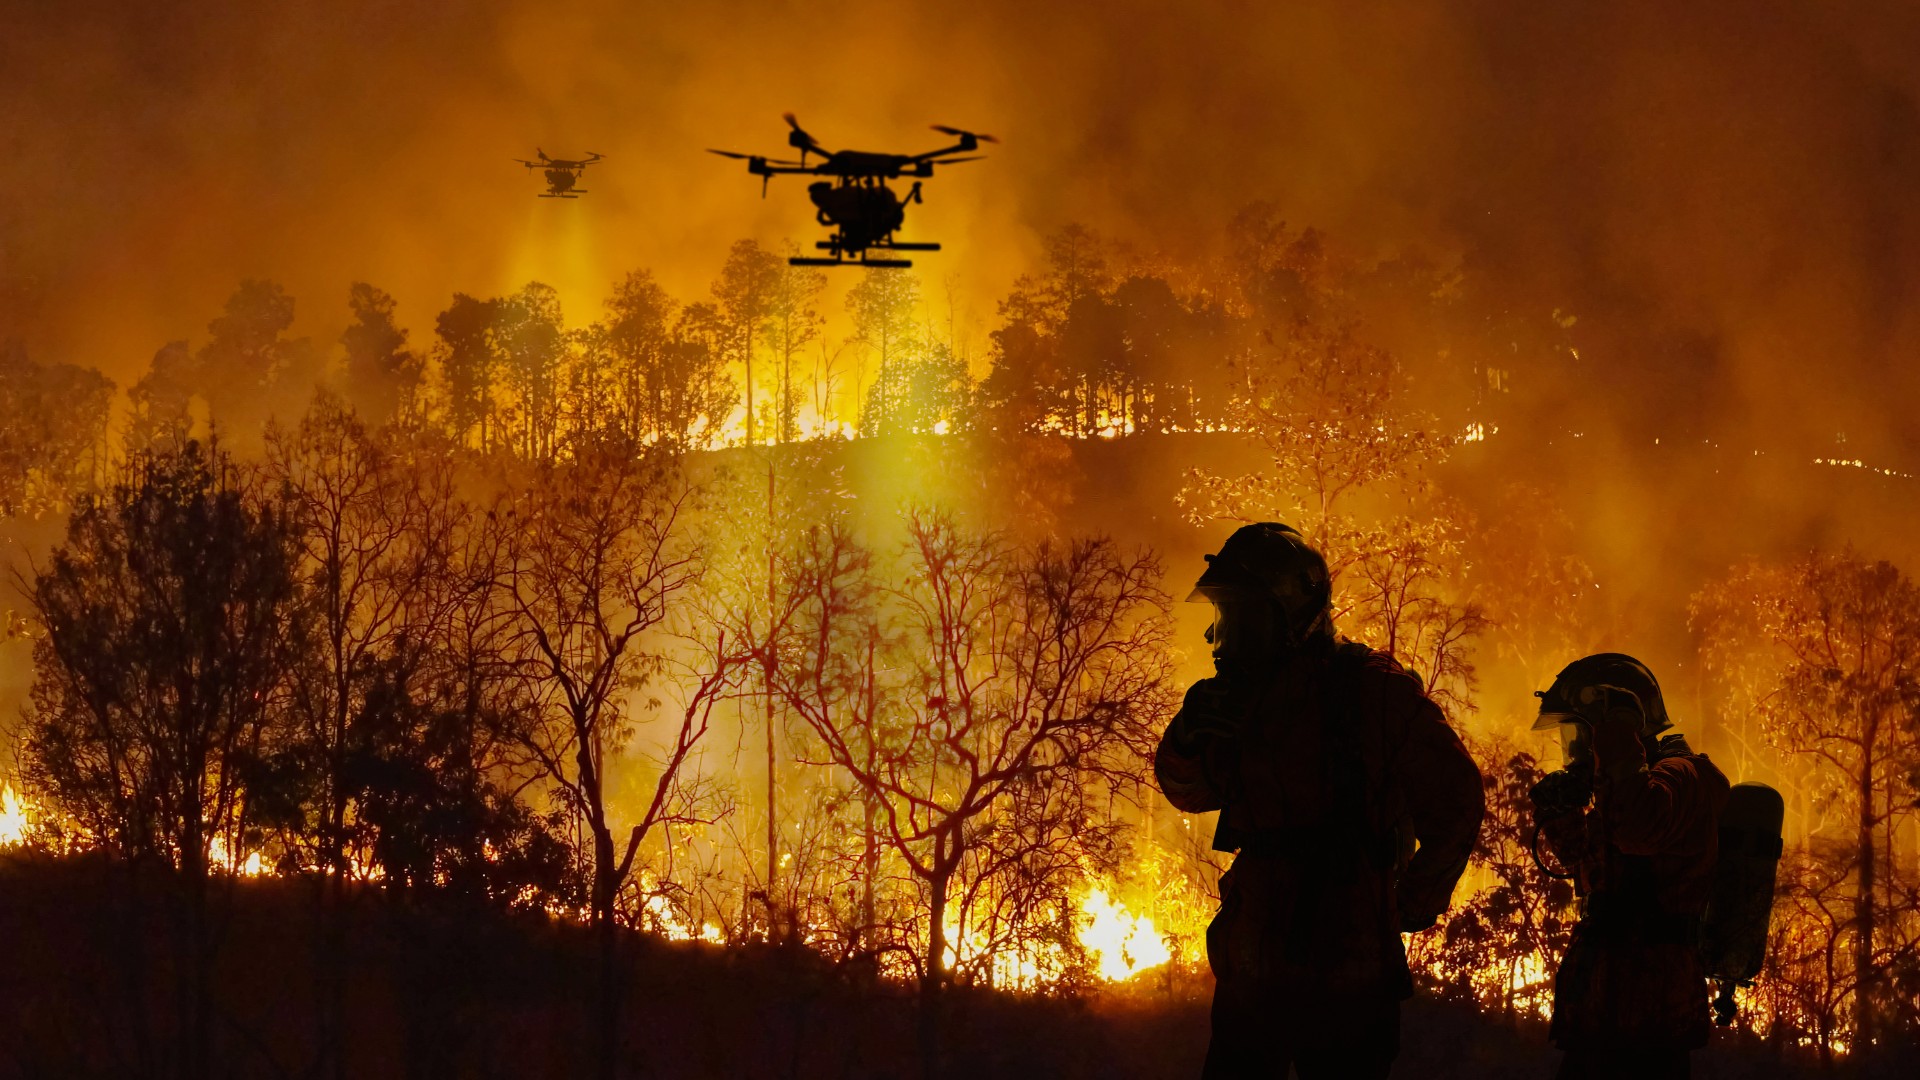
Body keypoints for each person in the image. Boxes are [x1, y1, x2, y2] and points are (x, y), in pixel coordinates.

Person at [1155, 522, 1485, 1079]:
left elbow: (1457, 798)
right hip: (1255, 958)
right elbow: (1189, 792)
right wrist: (1189, 738)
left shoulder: (1374, 690)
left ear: (1286, 613)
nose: (1219, 636)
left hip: (1348, 961)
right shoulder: (1236, 697)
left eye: (1237, 614)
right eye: (1222, 614)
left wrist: (1409, 903)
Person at [1528, 653, 1731, 1079]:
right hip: (1602, 1012)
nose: (1574, 750)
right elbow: (1592, 877)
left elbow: (1637, 833)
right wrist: (1559, 812)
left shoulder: (1682, 777)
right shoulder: (1627, 786)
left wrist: (1615, 739)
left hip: (1652, 1017)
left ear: (1618, 725)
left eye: (1580, 734)